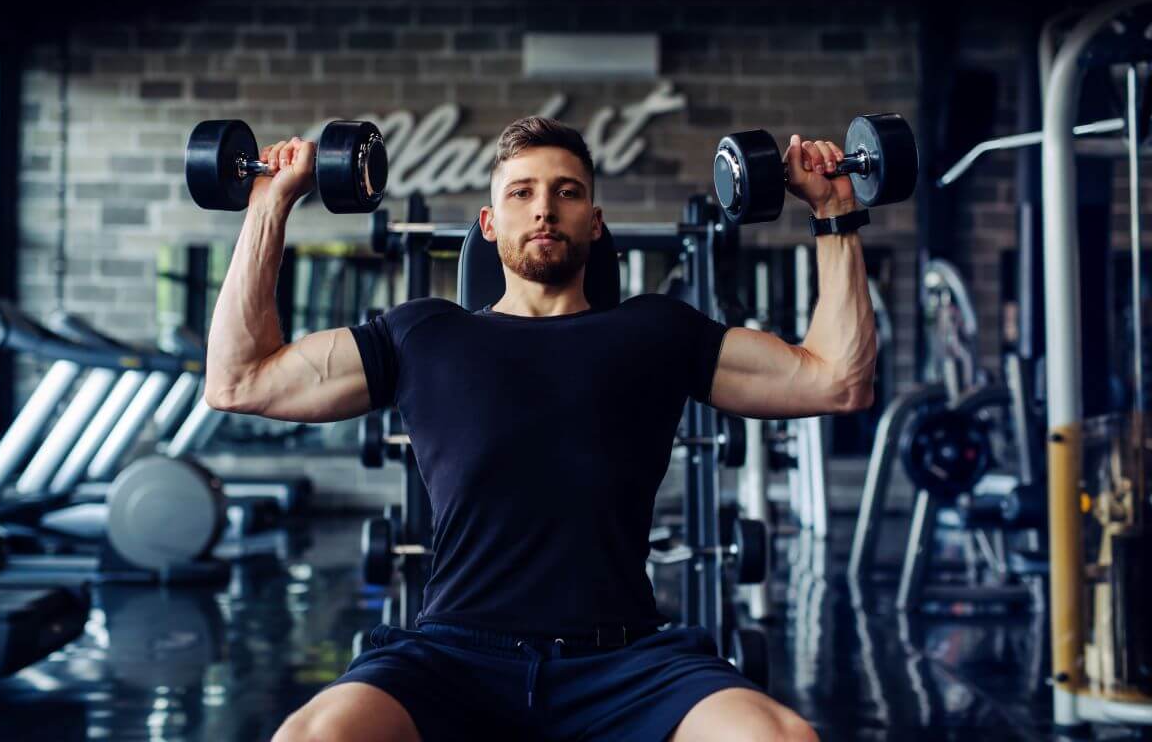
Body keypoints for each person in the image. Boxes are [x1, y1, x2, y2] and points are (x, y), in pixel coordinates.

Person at [207, 116, 872, 741]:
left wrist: (833, 208)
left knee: (781, 736)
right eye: (522, 193)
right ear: (490, 224)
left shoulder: (656, 331)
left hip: (626, 663)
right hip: (454, 656)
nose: (545, 208)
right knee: (309, 736)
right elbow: (239, 380)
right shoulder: (425, 336)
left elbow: (837, 380)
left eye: (567, 192)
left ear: (596, 221)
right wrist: (270, 203)